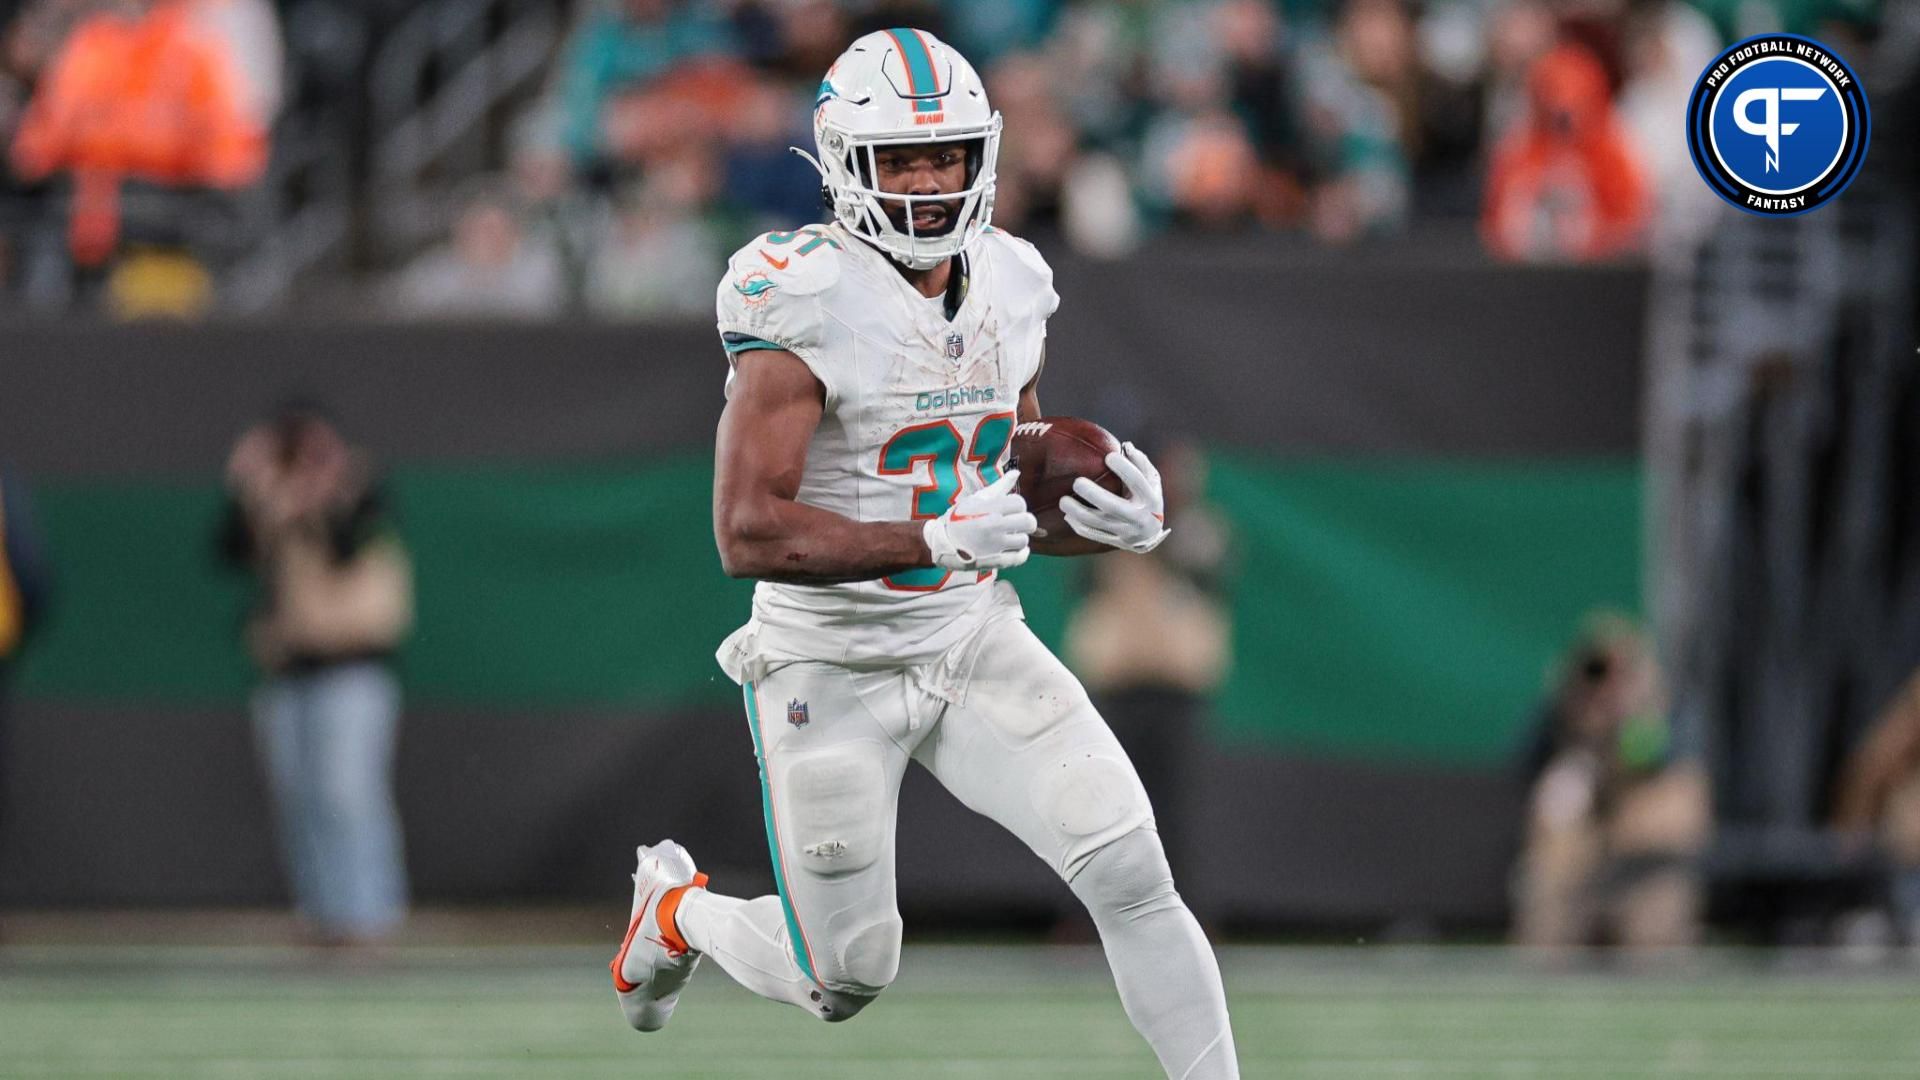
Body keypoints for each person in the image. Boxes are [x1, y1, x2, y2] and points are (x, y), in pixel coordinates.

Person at [608, 29, 1240, 1079]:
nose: (927, 182)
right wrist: (932, 537)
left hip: (968, 637)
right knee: (844, 976)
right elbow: (746, 530)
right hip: (829, 664)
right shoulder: (800, 294)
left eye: (943, 156)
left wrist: (1114, 517)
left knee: (1131, 869)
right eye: (900, 159)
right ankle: (676, 915)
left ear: (980, 156)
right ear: (843, 165)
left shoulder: (1011, 280)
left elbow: (1005, 472)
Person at [219, 404, 413, 946]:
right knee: (300, 800)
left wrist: (325, 486)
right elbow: (229, 553)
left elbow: (350, 543)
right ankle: (324, 917)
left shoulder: (359, 491)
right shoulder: (274, 506)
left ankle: (371, 918)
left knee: (348, 794)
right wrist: (248, 488)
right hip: (289, 671)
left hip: (353, 668)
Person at [1510, 616, 1710, 953]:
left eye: (1620, 674)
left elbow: (1683, 818)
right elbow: (1529, 785)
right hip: (1580, 874)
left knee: (1658, 914)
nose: (1607, 687)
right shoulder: (1564, 727)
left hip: (1645, 872)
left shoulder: (1667, 724)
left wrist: (1636, 717)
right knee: (1544, 892)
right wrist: (1580, 725)